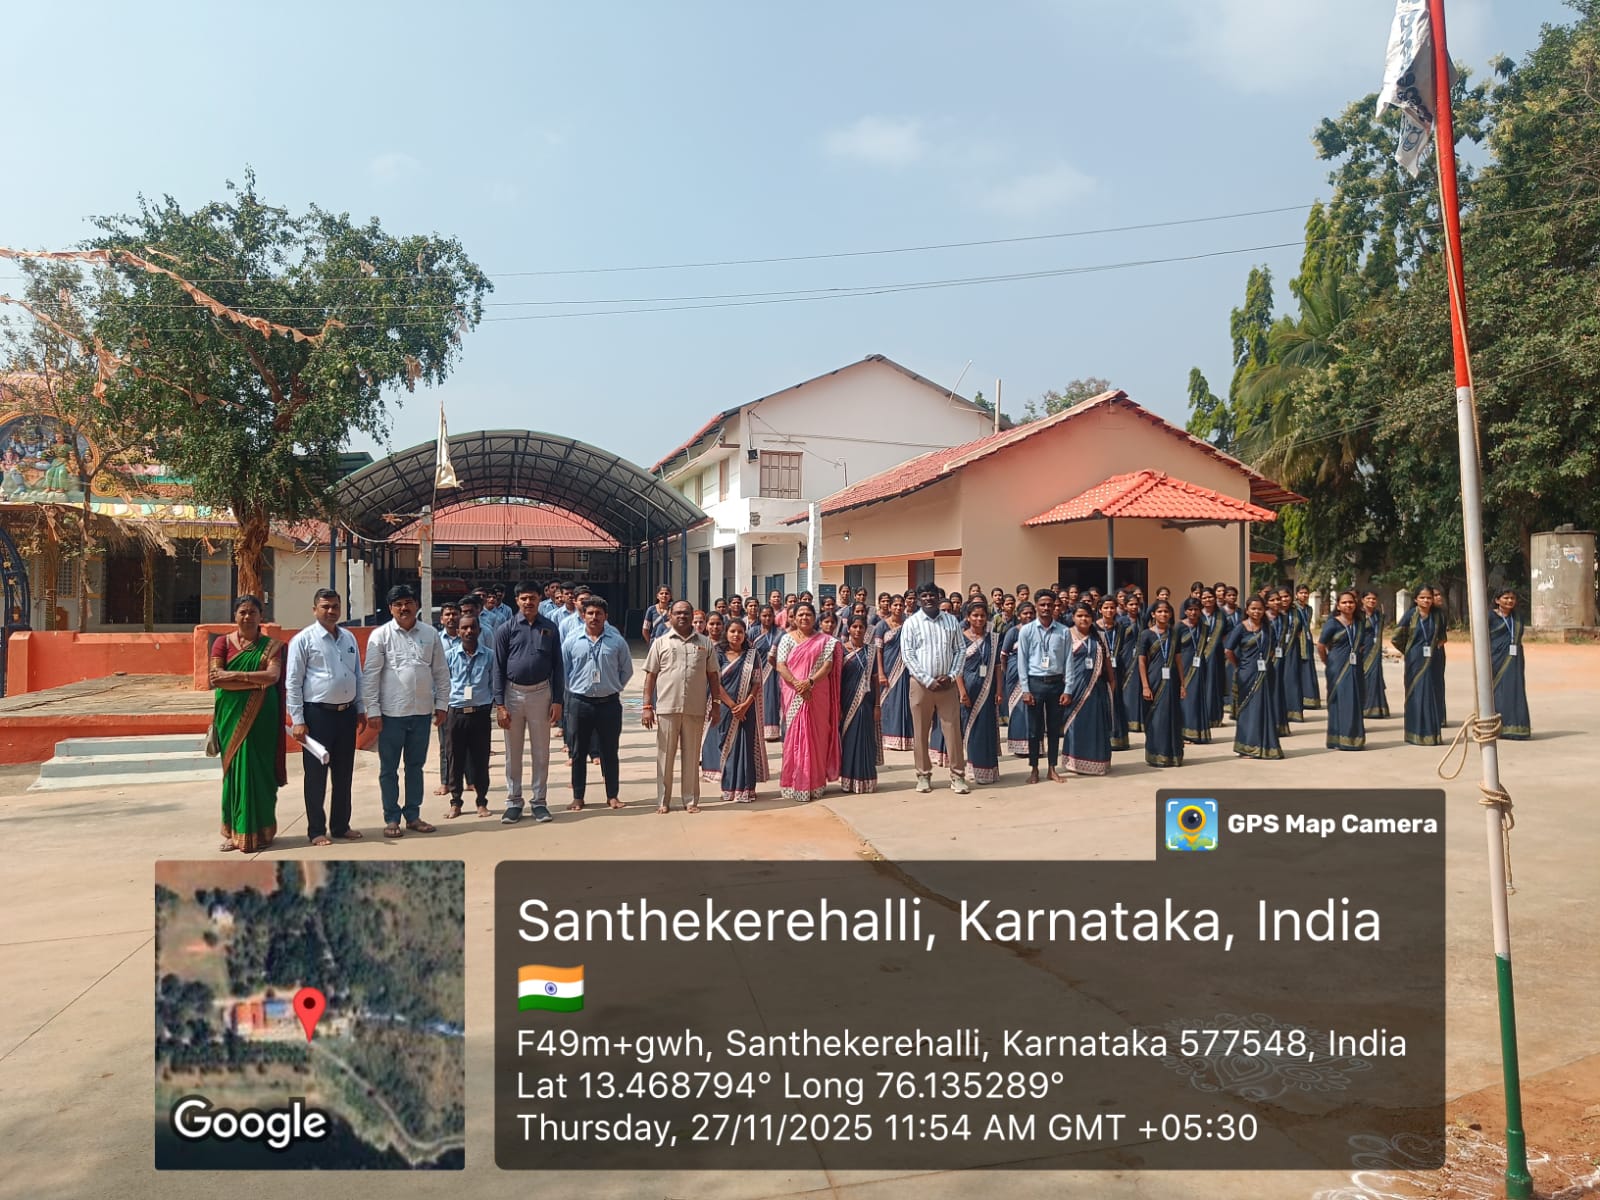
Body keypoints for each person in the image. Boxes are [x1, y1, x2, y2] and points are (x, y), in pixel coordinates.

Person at [361, 584, 449, 838]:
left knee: (415, 766)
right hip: (391, 714)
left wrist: (442, 704)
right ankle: (391, 818)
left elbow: (441, 672)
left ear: (417, 605)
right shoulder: (381, 635)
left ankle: (413, 815)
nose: (404, 608)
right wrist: (373, 710)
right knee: (389, 769)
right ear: (390, 608)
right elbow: (371, 676)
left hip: (421, 713)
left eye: (408, 602)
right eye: (398, 604)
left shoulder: (430, 634)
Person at [286, 588, 365, 846]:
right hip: (317, 716)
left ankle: (341, 826)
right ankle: (316, 830)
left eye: (335, 606)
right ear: (314, 610)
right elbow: (293, 682)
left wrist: (360, 708)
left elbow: (358, 675)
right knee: (316, 776)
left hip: (346, 714)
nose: (331, 611)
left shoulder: (349, 638)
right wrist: (298, 720)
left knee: (344, 774)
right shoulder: (303, 640)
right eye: (325, 607)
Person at [211, 595, 287, 852]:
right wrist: (254, 681)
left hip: (263, 716)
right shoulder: (222, 643)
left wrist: (235, 675)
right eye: (242, 612)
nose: (247, 617)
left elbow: (272, 676)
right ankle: (234, 831)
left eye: (253, 612)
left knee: (260, 771)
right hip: (230, 715)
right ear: (235, 615)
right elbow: (216, 679)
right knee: (234, 772)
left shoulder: (271, 646)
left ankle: (262, 831)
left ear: (261, 616)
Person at [642, 600, 733, 813]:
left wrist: (716, 705)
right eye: (678, 613)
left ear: (693, 616)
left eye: (686, 613)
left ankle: (690, 800)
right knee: (665, 757)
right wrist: (646, 706)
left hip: (695, 708)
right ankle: (663, 801)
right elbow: (650, 676)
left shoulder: (705, 643)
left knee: (692, 757)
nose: (682, 616)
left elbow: (713, 676)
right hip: (667, 708)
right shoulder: (660, 643)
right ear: (670, 616)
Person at [492, 581, 565, 824]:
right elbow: (497, 668)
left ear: (539, 599)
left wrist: (558, 700)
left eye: (532, 598)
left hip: (541, 694)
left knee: (541, 752)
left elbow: (558, 666)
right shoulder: (506, 629)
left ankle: (539, 802)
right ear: (517, 600)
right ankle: (514, 802)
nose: (528, 602)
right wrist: (500, 705)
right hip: (512, 695)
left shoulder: (550, 628)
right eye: (523, 598)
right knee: (513, 752)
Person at [562, 596, 633, 810]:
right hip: (579, 703)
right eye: (590, 613)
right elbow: (564, 671)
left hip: (609, 704)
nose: (594, 617)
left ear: (606, 616)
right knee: (578, 751)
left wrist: (612, 686)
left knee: (610, 751)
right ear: (583, 615)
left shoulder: (616, 641)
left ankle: (612, 795)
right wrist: (576, 688)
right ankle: (578, 796)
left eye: (598, 613)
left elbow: (626, 670)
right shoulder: (572, 641)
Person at [901, 583, 970, 794]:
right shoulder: (911, 623)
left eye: (932, 595)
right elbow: (908, 655)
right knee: (921, 731)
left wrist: (951, 676)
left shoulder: (951, 621)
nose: (928, 598)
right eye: (924, 595)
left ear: (938, 597)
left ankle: (957, 776)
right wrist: (927, 680)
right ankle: (923, 775)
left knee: (953, 731)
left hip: (947, 686)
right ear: (919, 599)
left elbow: (960, 650)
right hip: (921, 685)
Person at [773, 602, 842, 801]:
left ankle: (815, 783)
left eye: (808, 614)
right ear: (793, 618)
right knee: (794, 737)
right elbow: (780, 665)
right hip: (794, 692)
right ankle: (794, 782)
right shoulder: (786, 639)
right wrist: (798, 684)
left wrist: (810, 682)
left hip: (818, 692)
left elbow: (827, 666)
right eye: (800, 614)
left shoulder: (825, 641)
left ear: (814, 617)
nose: (804, 618)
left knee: (818, 736)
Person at [934, 602, 1001, 784]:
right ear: (968, 617)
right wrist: (962, 691)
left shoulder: (993, 639)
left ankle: (987, 770)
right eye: (975, 615)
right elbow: (957, 668)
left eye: (982, 616)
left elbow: (997, 666)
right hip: (968, 691)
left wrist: (999, 690)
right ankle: (972, 768)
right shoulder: (961, 639)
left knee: (986, 729)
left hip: (987, 689)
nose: (979, 619)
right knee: (970, 729)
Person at [704, 617, 769, 802]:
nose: (736, 635)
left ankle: (746, 789)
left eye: (740, 632)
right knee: (727, 747)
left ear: (745, 634)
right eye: (732, 631)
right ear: (726, 633)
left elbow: (756, 682)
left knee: (746, 747)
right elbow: (715, 682)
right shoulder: (718, 654)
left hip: (747, 709)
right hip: (726, 709)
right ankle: (729, 788)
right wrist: (733, 706)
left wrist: (746, 704)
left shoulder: (752, 655)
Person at [444, 613, 496, 815]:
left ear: (479, 630)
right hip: (456, 713)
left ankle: (482, 801)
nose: (469, 631)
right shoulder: (449, 656)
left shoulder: (490, 656)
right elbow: (441, 683)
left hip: (480, 714)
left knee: (480, 759)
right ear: (458, 632)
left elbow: (494, 683)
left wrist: (490, 704)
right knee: (454, 758)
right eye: (464, 628)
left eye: (472, 627)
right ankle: (455, 801)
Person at [1016, 590, 1069, 784]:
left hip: (1056, 684)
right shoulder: (1027, 631)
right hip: (1035, 684)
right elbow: (1022, 661)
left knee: (1054, 729)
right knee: (1034, 730)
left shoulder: (1063, 631)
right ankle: (1034, 769)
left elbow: (1069, 661)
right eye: (1042, 604)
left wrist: (1068, 689)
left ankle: (1052, 769)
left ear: (1055, 606)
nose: (1046, 608)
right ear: (1036, 606)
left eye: (1049, 605)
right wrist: (1025, 689)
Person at [1224, 597, 1283, 760]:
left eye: (1260, 609)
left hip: (1266, 673)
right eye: (1253, 609)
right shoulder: (1241, 628)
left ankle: (1265, 745)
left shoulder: (1268, 628)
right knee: (1249, 709)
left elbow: (1273, 648)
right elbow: (1228, 650)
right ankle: (1247, 746)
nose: (1257, 612)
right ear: (1247, 610)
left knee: (1265, 708)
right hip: (1247, 674)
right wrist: (1240, 665)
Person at [1061, 603, 1114, 775]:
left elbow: (1107, 661)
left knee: (1095, 726)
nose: (1084, 619)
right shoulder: (1065, 635)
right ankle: (1074, 762)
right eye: (1080, 616)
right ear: (1073, 617)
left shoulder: (1099, 636)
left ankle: (1097, 762)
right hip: (1073, 689)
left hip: (1096, 690)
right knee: (1075, 725)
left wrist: (1112, 682)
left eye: (1087, 616)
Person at [1392, 586, 1445, 746]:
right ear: (1416, 599)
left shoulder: (1438, 615)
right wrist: (1409, 650)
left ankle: (1431, 733)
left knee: (1431, 693)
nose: (1426, 600)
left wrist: (1434, 646)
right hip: (1415, 659)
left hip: (1432, 659)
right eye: (1422, 597)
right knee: (1416, 693)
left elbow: (1442, 637)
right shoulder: (1410, 615)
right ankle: (1414, 733)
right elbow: (1396, 638)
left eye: (1429, 597)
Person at [836, 616, 883, 793]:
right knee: (849, 741)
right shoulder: (841, 650)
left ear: (865, 629)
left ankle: (866, 780)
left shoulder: (871, 651)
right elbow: (836, 681)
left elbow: (875, 680)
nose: (857, 630)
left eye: (861, 627)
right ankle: (848, 780)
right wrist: (837, 706)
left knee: (865, 740)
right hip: (846, 701)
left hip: (866, 702)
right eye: (854, 626)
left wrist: (877, 705)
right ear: (848, 629)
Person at [1138, 599, 1185, 767]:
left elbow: (1178, 660)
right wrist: (1145, 686)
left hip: (1172, 681)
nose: (1163, 614)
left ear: (1170, 614)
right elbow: (1142, 661)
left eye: (1166, 611)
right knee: (1156, 718)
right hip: (1154, 680)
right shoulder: (1146, 634)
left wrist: (1182, 684)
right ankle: (1156, 754)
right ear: (1153, 614)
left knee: (1172, 716)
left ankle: (1173, 754)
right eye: (1160, 611)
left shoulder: (1175, 634)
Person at [1317, 590, 1366, 751]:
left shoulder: (1359, 623)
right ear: (1338, 606)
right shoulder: (1332, 623)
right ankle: (1337, 738)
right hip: (1336, 667)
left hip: (1355, 667)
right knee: (1339, 700)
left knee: (1354, 700)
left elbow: (1361, 644)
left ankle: (1353, 738)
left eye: (1351, 602)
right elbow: (1321, 645)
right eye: (1344, 602)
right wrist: (1328, 661)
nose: (1348, 605)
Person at [1490, 588, 1531, 739]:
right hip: (1496, 658)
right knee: (1499, 692)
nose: (1509, 601)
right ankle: (1499, 726)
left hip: (1515, 659)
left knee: (1515, 689)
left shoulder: (1518, 617)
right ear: (1497, 600)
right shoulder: (1490, 617)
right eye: (1506, 598)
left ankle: (1517, 727)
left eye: (1512, 598)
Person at [877, 595, 914, 752]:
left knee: (905, 701)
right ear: (890, 607)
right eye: (895, 605)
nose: (898, 608)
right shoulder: (881, 626)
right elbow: (879, 650)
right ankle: (888, 737)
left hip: (906, 669)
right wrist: (880, 672)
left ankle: (905, 738)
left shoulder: (909, 624)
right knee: (889, 703)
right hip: (888, 668)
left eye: (901, 605)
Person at [1095, 597, 1131, 752]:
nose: (1109, 611)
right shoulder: (1094, 627)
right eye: (1106, 607)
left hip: (1118, 670)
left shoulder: (1121, 628)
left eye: (1112, 607)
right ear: (1100, 609)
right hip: (1101, 671)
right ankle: (1102, 738)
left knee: (1117, 702)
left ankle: (1118, 738)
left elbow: (1125, 649)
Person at [1000, 600, 1034, 757]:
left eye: (1031, 613)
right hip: (1015, 675)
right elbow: (1003, 655)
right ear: (1019, 615)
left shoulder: (1038, 631)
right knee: (1018, 709)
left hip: (1033, 674)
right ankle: (1019, 745)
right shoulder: (1013, 632)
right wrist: (1008, 672)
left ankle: (1034, 746)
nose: (1028, 616)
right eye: (1025, 613)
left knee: (1033, 709)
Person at [433, 601, 461, 796]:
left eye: (454, 614)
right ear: (442, 619)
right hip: (444, 700)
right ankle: (445, 782)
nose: (451, 618)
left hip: (465, 699)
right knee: (446, 744)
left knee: (466, 744)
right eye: (447, 614)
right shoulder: (435, 640)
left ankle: (469, 780)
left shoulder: (468, 636)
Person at [1178, 598, 1211, 744]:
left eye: (1196, 609)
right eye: (1190, 609)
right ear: (1185, 611)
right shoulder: (1179, 627)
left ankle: (1197, 731)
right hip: (1183, 666)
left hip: (1199, 666)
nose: (1193, 612)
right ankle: (1184, 733)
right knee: (1186, 698)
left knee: (1197, 698)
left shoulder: (1204, 627)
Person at [1359, 592, 1390, 719]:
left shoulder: (1378, 615)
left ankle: (1378, 707)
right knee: (1364, 676)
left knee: (1375, 677)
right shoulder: (1358, 615)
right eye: (1368, 598)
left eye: (1374, 599)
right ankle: (1363, 707)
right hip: (1363, 649)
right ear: (1362, 600)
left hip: (1375, 649)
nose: (1371, 601)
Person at [1295, 584, 1322, 713]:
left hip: (1307, 639)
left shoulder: (1309, 609)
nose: (1304, 595)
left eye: (1306, 593)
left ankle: (1310, 698)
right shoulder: (1294, 608)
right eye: (1301, 593)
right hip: (1297, 640)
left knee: (1308, 667)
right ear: (1296, 594)